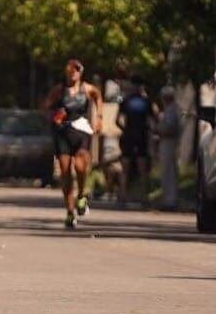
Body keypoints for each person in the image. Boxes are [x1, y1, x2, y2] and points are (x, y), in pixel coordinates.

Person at [42, 59, 104, 228]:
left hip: (81, 130)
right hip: (63, 133)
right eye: (71, 69)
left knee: (80, 165)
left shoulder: (87, 89)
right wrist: (54, 116)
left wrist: (98, 118)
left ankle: (81, 195)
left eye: (77, 70)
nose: (73, 72)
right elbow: (46, 106)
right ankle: (70, 212)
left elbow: (98, 98)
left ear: (81, 72)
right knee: (65, 171)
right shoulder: (60, 90)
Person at [117, 75, 158, 206]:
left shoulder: (128, 100)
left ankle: (125, 195)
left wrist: (125, 129)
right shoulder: (146, 101)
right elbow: (155, 118)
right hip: (141, 135)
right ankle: (143, 196)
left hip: (131, 135)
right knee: (140, 166)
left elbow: (117, 120)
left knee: (128, 166)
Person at [157, 86, 181, 210]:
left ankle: (170, 201)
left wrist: (160, 131)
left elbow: (172, 128)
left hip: (169, 142)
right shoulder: (168, 109)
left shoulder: (172, 110)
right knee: (166, 172)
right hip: (165, 142)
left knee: (169, 171)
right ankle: (167, 199)